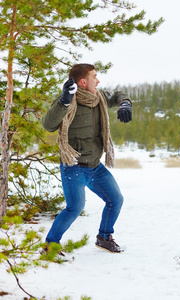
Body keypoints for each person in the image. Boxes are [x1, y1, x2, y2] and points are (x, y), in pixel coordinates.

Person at [41, 63, 132, 252]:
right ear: (83, 81)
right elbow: (48, 124)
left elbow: (118, 94)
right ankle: (50, 246)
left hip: (95, 166)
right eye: (94, 77)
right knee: (74, 207)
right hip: (73, 166)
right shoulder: (66, 101)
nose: (98, 80)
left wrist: (125, 103)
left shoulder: (98, 97)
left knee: (116, 199)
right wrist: (64, 101)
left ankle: (104, 237)